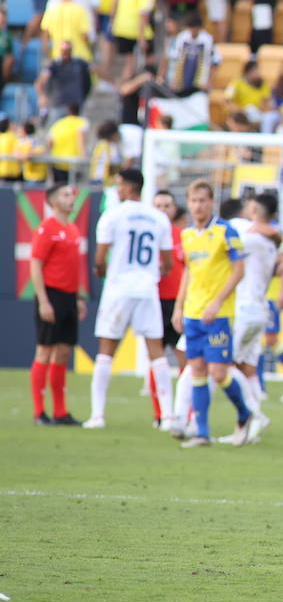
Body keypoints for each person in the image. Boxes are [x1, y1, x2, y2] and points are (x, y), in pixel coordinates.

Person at [86, 168, 174, 430]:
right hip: (146, 289)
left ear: (128, 187)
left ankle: (98, 415)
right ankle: (168, 417)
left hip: (118, 289)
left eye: (119, 184)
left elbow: (100, 258)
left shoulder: (112, 216)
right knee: (156, 352)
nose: (117, 188)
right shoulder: (158, 218)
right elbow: (167, 262)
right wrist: (152, 274)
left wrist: (102, 271)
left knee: (106, 351)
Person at [171, 180, 254, 448]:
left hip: (217, 315)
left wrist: (217, 302)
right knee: (196, 369)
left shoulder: (226, 231)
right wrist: (178, 307)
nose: (197, 206)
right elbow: (188, 271)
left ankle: (244, 413)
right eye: (193, 201)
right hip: (193, 313)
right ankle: (202, 433)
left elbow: (239, 271)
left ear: (211, 202)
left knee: (218, 373)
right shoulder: (187, 235)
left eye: (202, 201)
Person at [222, 194, 279, 443]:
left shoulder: (248, 237)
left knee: (221, 366)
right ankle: (248, 430)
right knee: (246, 367)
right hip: (260, 309)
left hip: (245, 310)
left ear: (254, 208)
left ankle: (254, 415)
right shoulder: (269, 240)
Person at [29, 183, 85, 426]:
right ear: (53, 201)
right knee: (45, 349)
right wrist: (43, 301)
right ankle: (39, 411)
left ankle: (60, 412)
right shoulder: (45, 229)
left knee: (63, 352)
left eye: (71, 194)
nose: (71, 198)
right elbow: (35, 265)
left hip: (69, 296)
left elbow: (73, 266)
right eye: (65, 194)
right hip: (51, 295)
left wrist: (78, 297)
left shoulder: (72, 229)